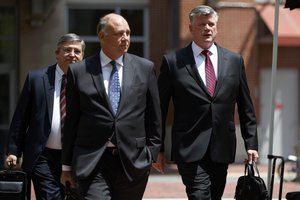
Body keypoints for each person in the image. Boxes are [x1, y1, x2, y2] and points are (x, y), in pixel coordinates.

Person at [155, 5, 259, 200]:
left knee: (215, 196)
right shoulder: (173, 62)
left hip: (222, 146)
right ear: (191, 28)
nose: (207, 28)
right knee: (200, 195)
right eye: (202, 24)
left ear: (217, 28)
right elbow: (159, 108)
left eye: (211, 24)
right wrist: (157, 148)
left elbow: (246, 106)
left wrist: (251, 143)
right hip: (189, 146)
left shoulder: (234, 61)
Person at [60, 13, 162, 200]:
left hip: (133, 161)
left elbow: (153, 115)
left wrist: (151, 153)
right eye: (119, 33)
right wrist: (66, 166)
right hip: (93, 160)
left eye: (128, 33)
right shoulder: (79, 71)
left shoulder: (145, 68)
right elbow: (72, 120)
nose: (125, 38)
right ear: (101, 36)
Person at [6, 33, 85, 200]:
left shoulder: (88, 82)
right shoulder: (36, 79)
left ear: (82, 56)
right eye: (67, 50)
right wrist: (13, 150)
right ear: (57, 53)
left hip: (76, 157)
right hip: (44, 156)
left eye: (77, 51)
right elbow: (21, 117)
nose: (72, 54)